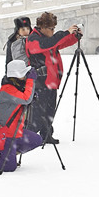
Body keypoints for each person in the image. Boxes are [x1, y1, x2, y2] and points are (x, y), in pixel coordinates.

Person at [25, 12, 81, 144]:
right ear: (42, 27)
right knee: (38, 114)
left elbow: (59, 43)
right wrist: (65, 32)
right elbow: (47, 44)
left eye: (54, 28)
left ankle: (46, 135)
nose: (53, 31)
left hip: (52, 81)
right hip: (40, 82)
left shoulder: (47, 39)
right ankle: (28, 138)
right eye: (51, 28)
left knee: (49, 112)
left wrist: (75, 37)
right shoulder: (34, 39)